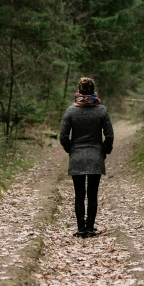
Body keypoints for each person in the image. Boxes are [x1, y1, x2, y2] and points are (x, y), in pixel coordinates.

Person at [59, 77, 114, 238]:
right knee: (92, 194)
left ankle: (81, 229)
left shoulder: (71, 111)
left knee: (79, 194)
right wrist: (104, 150)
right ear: (93, 90)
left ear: (79, 91)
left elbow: (63, 136)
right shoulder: (101, 111)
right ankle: (90, 228)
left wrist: (71, 149)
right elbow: (109, 135)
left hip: (77, 156)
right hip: (96, 156)